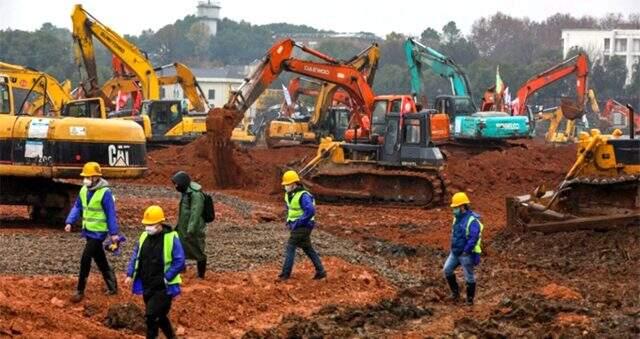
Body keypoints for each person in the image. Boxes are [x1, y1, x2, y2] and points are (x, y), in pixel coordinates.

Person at [126, 205, 185, 339]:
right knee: (160, 316)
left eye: (151, 224)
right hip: (148, 284)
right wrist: (130, 274)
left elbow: (179, 260)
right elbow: (136, 255)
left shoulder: (171, 237)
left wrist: (167, 277)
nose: (148, 227)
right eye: (146, 224)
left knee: (151, 316)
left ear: (160, 223)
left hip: (163, 287)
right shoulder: (143, 237)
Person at [64, 162, 119, 303]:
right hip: (88, 230)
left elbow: (111, 214)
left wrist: (113, 233)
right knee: (100, 258)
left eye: (88, 177)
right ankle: (112, 286)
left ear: (95, 177)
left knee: (86, 258)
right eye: (85, 177)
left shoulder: (105, 192)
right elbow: (77, 207)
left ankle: (80, 290)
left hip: (99, 232)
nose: (85, 179)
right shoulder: (83, 190)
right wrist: (69, 221)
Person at [278, 170, 326, 281]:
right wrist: (289, 221)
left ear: (294, 184)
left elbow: (310, 210)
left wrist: (299, 222)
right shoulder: (289, 194)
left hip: (304, 225)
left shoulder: (303, 195)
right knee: (307, 248)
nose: (285, 186)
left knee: (290, 247)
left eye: (287, 184)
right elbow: (290, 209)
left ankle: (285, 274)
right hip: (298, 225)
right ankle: (321, 271)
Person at [443, 192, 484, 306]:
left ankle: (470, 301)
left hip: (466, 254)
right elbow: (455, 234)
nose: (453, 210)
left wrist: (466, 250)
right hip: (455, 252)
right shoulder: (456, 218)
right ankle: (455, 294)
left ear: (462, 207)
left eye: (455, 207)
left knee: (469, 277)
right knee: (447, 269)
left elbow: (474, 237)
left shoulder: (472, 221)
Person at [171, 171, 207, 279]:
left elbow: (195, 213)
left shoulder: (195, 194)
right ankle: (181, 269)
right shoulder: (186, 192)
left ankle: (201, 275)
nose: (176, 186)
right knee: (178, 248)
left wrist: (190, 230)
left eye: (177, 184)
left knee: (197, 251)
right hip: (183, 227)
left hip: (193, 229)